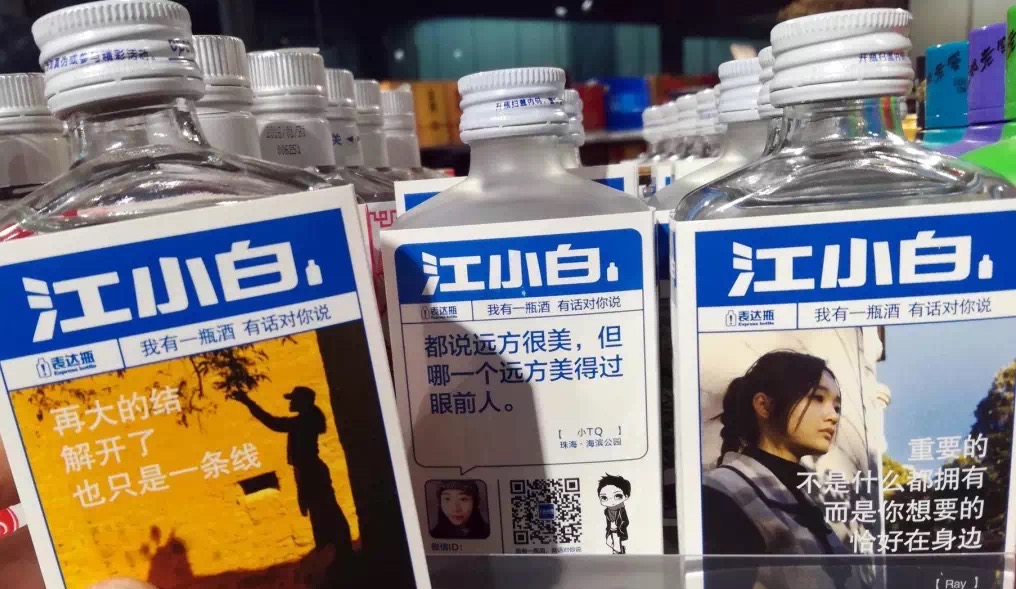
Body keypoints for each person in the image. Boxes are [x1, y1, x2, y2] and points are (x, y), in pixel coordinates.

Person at [702, 350, 855, 588]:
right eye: (817, 398)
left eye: (837, 406)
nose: (833, 416)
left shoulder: (804, 497)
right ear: (764, 405)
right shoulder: (722, 491)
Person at [233, 386, 354, 555]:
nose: (290, 403)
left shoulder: (303, 422)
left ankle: (340, 552)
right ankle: (338, 552)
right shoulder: (307, 420)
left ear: (303, 402)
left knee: (325, 513)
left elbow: (273, 423)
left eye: (294, 399)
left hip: (311, 472)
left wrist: (248, 402)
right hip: (311, 470)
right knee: (323, 513)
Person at [597, 473, 631, 554]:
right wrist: (609, 529)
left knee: (616, 548)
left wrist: (619, 527)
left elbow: (626, 521)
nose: (611, 501)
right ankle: (621, 550)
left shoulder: (621, 510)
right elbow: (608, 522)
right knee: (608, 542)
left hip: (618, 531)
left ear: (626, 496)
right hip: (610, 531)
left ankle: (619, 554)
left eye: (617, 496)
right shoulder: (607, 511)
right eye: (604, 498)